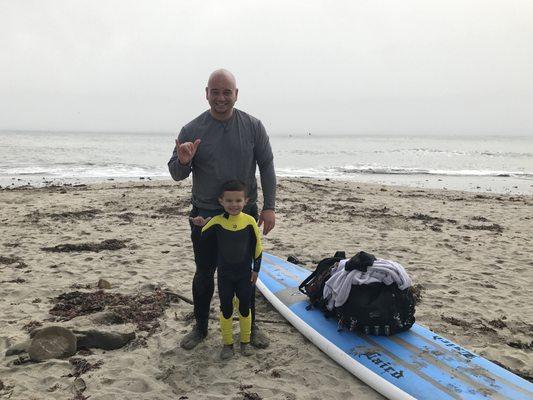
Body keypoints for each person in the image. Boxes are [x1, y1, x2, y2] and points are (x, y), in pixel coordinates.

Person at [168, 69, 276, 350]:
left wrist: (270, 208)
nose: (221, 98)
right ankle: (201, 327)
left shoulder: (253, 126)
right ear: (206, 93)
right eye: (215, 92)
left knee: (245, 273)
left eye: (227, 92)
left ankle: (252, 329)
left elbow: (267, 166)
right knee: (204, 272)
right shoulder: (191, 130)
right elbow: (176, 174)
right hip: (205, 216)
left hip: (245, 215)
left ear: (236, 94)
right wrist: (183, 161)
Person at [191, 180, 262, 360]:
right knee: (227, 308)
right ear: (221, 201)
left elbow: (257, 247)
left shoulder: (250, 221)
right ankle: (228, 344)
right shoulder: (215, 222)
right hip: (225, 275)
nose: (234, 205)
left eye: (238, 201)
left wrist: (256, 270)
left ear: (246, 201)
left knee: (245, 307)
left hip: (245, 274)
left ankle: (245, 342)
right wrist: (199, 226)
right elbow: (202, 244)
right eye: (229, 201)